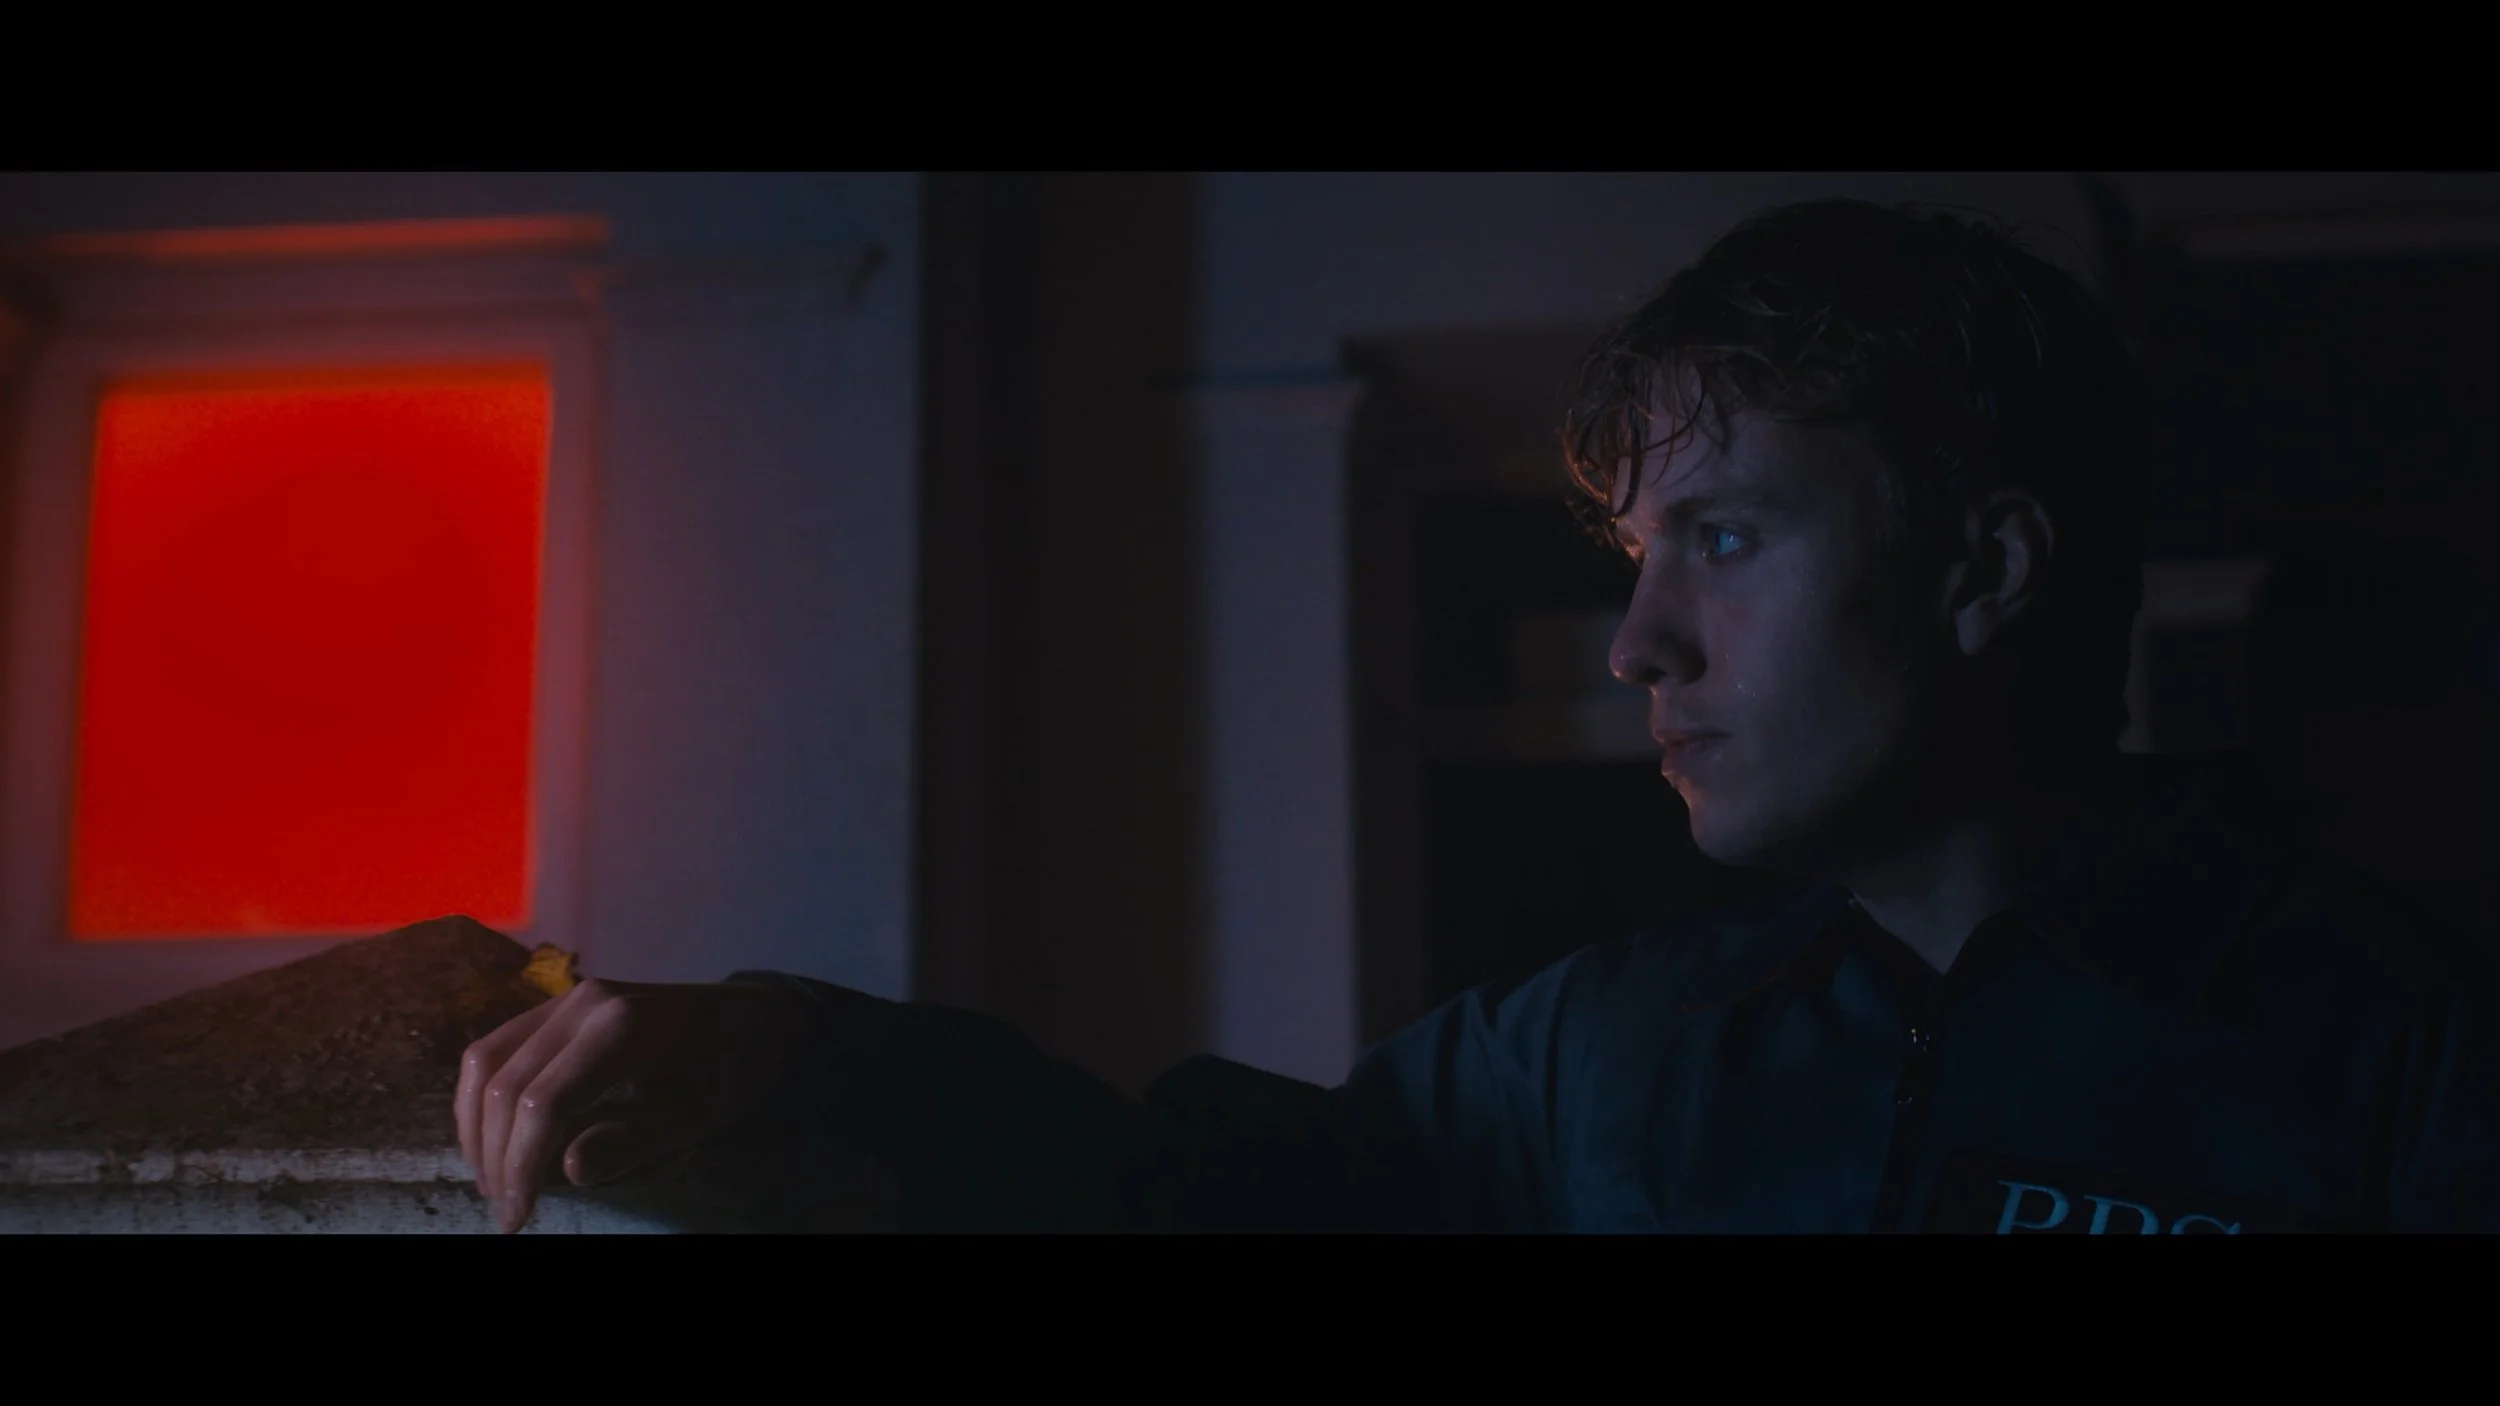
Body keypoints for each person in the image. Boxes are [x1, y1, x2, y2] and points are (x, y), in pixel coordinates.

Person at [454, 198, 2500, 1234]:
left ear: (1980, 571)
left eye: (1719, 534)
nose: (1639, 645)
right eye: (1629, 553)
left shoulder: (2390, 1036)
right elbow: (1158, 1186)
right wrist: (777, 1048)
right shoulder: (1600, 1051)